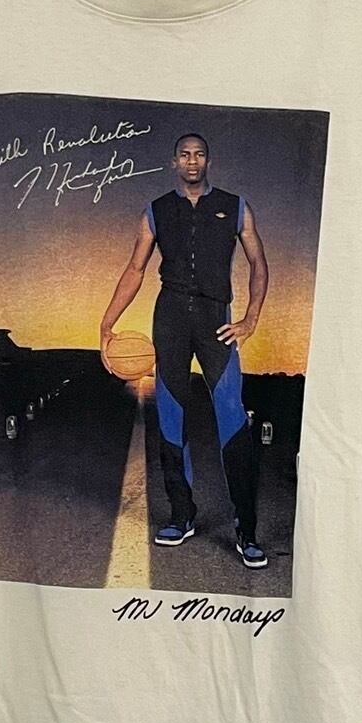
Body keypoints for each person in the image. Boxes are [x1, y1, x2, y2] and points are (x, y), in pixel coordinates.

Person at [100, 133, 269, 569]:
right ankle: (182, 514)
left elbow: (258, 263)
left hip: (216, 321)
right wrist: (107, 323)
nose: (192, 161)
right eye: (184, 155)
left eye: (199, 154)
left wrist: (250, 318)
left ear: (208, 160)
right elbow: (135, 269)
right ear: (174, 162)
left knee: (232, 416)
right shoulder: (155, 211)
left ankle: (247, 531)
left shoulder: (236, 207)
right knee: (171, 416)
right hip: (171, 320)